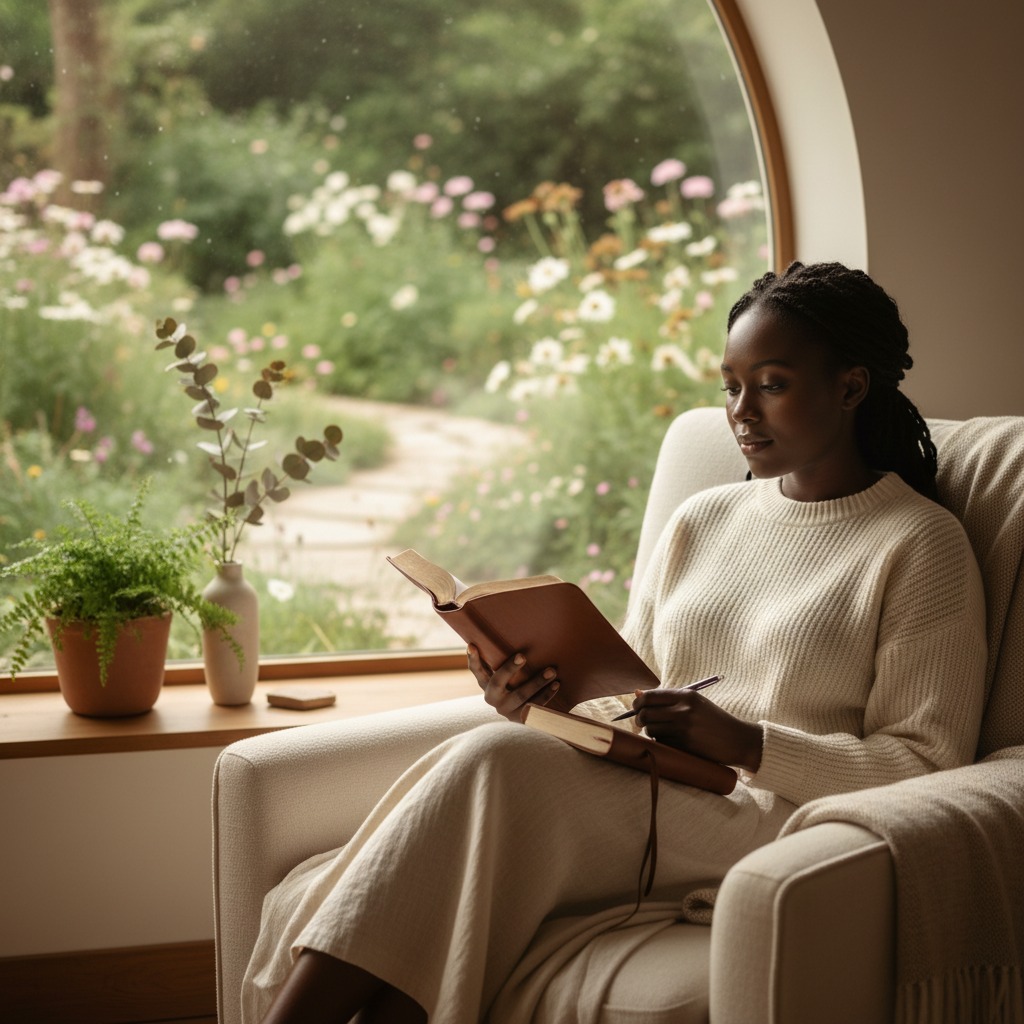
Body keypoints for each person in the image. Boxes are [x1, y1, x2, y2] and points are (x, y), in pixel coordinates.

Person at [244, 261, 987, 1024]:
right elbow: (629, 692)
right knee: (489, 782)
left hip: (775, 817)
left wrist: (748, 742)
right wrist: (540, 699)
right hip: (658, 789)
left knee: (490, 768)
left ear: (851, 387)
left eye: (770, 384)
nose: (740, 411)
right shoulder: (704, 519)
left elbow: (926, 762)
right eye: (730, 385)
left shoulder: (919, 545)